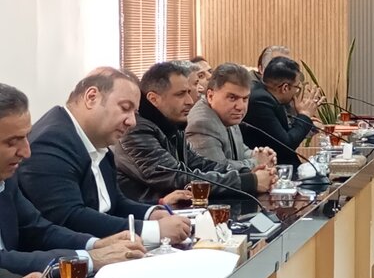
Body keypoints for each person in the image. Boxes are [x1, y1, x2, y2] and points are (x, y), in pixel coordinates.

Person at [18, 68, 192, 245]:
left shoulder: (96, 142)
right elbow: (68, 217)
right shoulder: (51, 142)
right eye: (125, 108)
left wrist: (152, 214)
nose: (132, 122)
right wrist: (153, 230)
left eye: (135, 113)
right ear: (91, 97)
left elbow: (115, 203)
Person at [0, 83, 145, 275]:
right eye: (12, 142)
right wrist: (90, 259)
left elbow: (38, 229)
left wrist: (96, 244)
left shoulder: (6, 179)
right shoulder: (51, 140)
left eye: (26, 137)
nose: (26, 152)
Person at [113, 62, 272, 203]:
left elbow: (200, 164)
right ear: (154, 99)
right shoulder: (135, 131)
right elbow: (178, 178)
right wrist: (248, 181)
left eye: (189, 92)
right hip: (146, 217)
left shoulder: (171, 124)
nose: (190, 101)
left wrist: (246, 173)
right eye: (180, 94)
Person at [186, 63, 277, 171]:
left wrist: (258, 154)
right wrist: (257, 162)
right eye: (232, 98)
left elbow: (240, 150)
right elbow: (217, 169)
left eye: (245, 99)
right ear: (210, 96)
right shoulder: (201, 124)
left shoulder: (227, 115)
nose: (240, 107)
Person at [241, 57, 322, 166]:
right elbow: (286, 145)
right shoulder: (261, 101)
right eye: (297, 87)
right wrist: (305, 115)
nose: (296, 92)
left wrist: (301, 117)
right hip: (275, 170)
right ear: (285, 88)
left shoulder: (266, 95)